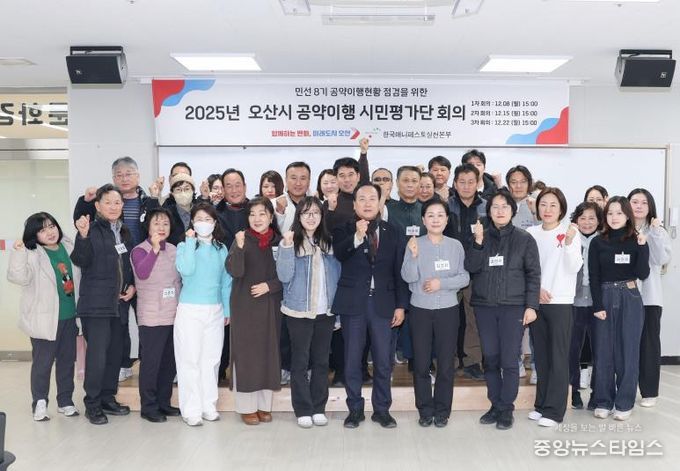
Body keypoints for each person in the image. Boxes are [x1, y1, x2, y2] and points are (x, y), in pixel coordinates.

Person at [73, 156, 160, 382]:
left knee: (145, 322)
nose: (124, 178)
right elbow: (82, 224)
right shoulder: (104, 203)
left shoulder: (146, 200)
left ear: (138, 176)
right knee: (118, 327)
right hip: (112, 278)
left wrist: (154, 198)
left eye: (128, 173)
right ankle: (123, 364)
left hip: (142, 271)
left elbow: (158, 224)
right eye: (119, 175)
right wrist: (84, 200)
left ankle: (146, 364)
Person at [332, 183, 409, 429]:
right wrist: (357, 236)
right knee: (352, 360)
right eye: (362, 199)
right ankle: (355, 410)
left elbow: (399, 270)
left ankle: (382, 410)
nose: (367, 203)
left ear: (380, 203)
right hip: (353, 304)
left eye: (372, 198)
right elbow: (340, 254)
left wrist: (401, 305)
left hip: (384, 304)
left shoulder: (393, 230)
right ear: (354, 204)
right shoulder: (343, 228)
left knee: (384, 361)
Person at [465, 189, 541, 430]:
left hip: (513, 307)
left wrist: (532, 306)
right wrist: (478, 243)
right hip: (484, 306)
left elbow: (533, 274)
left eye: (504, 207)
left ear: (513, 211)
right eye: (495, 207)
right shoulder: (480, 236)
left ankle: (507, 408)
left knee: (509, 360)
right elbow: (471, 267)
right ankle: (495, 404)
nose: (499, 211)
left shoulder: (524, 239)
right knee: (490, 358)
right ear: (489, 211)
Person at [71, 184, 135, 425]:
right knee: (97, 357)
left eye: (117, 202)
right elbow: (80, 259)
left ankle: (108, 398)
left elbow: (127, 265)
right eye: (108, 202)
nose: (113, 206)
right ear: (97, 206)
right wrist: (83, 236)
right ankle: (93, 404)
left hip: (119, 304)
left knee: (115, 354)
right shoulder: (91, 229)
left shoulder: (124, 232)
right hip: (96, 305)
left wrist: (131, 285)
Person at [401, 199, 469, 427]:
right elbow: (408, 277)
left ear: (447, 220)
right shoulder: (414, 243)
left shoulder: (455, 246)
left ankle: (442, 411)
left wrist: (442, 283)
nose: (436, 219)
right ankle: (424, 409)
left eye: (440, 215)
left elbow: (464, 277)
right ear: (423, 220)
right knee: (421, 363)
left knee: (446, 364)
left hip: (448, 310)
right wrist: (413, 256)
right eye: (430, 215)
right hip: (420, 310)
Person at [7, 213, 80, 421]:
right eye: (42, 230)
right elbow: (18, 277)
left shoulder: (68, 247)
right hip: (44, 319)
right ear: (34, 235)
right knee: (43, 363)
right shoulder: (32, 254)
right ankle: (39, 402)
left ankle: (65, 401)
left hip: (70, 317)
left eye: (51, 226)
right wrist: (18, 252)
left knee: (67, 362)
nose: (49, 232)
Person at [276, 196, 340, 428]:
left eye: (316, 213)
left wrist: (337, 312)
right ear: (299, 217)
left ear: (322, 216)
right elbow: (284, 276)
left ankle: (318, 407)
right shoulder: (290, 241)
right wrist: (285, 247)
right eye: (306, 213)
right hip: (298, 312)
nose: (311, 217)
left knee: (322, 361)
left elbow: (338, 277)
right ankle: (303, 408)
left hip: (326, 312)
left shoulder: (329, 242)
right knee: (300, 362)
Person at [589, 196, 649, 421]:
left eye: (619, 213)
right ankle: (604, 400)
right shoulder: (597, 242)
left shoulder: (636, 240)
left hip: (630, 296)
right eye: (610, 213)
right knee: (604, 351)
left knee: (628, 352)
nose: (614, 217)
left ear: (627, 216)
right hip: (605, 295)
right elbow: (594, 276)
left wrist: (642, 247)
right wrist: (597, 305)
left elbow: (643, 273)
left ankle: (624, 403)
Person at [526, 187, 582, 427]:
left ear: (561, 209)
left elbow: (574, 267)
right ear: (537, 207)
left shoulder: (569, 232)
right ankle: (541, 405)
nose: (547, 209)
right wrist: (535, 290)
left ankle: (554, 411)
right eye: (543, 204)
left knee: (558, 357)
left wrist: (568, 243)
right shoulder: (531, 233)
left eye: (553, 205)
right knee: (541, 357)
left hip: (560, 302)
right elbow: (526, 267)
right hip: (537, 301)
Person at [226, 197, 283, 425]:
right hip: (245, 306)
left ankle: (263, 406)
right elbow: (235, 271)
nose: (257, 219)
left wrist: (270, 286)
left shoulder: (280, 241)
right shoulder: (241, 239)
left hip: (270, 306)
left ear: (270, 216)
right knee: (247, 355)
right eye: (252, 214)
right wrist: (239, 247)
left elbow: (289, 274)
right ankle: (246, 407)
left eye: (262, 213)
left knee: (268, 354)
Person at [174, 202, 231, 427]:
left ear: (215, 223)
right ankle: (191, 409)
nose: (204, 223)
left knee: (211, 360)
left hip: (215, 309)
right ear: (192, 222)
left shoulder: (221, 248)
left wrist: (227, 309)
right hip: (190, 309)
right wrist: (190, 241)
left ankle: (208, 405)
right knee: (190, 359)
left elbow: (226, 281)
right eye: (199, 219)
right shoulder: (183, 246)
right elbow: (186, 269)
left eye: (208, 219)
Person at [131, 208, 182, 423]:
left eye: (165, 224)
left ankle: (163, 402)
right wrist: (154, 249)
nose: (161, 228)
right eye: (156, 223)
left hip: (174, 314)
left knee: (169, 363)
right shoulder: (139, 250)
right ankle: (149, 406)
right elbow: (142, 274)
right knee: (151, 363)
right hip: (152, 317)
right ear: (148, 227)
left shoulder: (174, 249)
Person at [628, 188, 672, 408]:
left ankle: (649, 391)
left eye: (644, 202)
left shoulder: (657, 230)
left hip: (649, 297)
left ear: (650, 207)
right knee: (625, 344)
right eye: (634, 201)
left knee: (649, 345)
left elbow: (660, 259)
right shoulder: (620, 228)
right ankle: (624, 390)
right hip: (624, 296)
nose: (638, 206)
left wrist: (654, 233)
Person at [446, 163, 487, 381]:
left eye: (471, 181)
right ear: (455, 183)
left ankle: (472, 361)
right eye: (462, 182)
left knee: (474, 319)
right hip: (449, 272)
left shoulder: (486, 207)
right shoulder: (445, 207)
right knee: (448, 319)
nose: (466, 186)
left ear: (478, 183)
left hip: (476, 271)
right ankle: (448, 360)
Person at [569, 202, 603, 411]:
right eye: (582, 218)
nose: (587, 222)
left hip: (599, 303)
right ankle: (572, 391)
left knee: (600, 350)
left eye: (592, 218)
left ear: (599, 221)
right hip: (574, 301)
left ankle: (597, 393)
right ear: (575, 220)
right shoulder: (570, 239)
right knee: (572, 349)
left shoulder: (604, 241)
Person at [325, 138, 370, 231]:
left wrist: (363, 153)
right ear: (336, 179)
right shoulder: (330, 204)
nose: (347, 180)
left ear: (358, 176)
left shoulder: (367, 201)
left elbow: (364, 175)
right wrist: (331, 209)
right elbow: (326, 232)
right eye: (342, 176)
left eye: (351, 174)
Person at [162, 173, 198, 245]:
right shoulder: (166, 214)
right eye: (178, 189)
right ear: (172, 193)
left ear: (193, 191)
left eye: (187, 189)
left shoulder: (200, 211)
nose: (183, 193)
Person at [506, 165, 537, 230]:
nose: (518, 186)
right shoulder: (502, 205)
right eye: (514, 182)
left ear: (529, 184)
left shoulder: (537, 205)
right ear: (508, 185)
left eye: (523, 182)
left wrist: (535, 212)